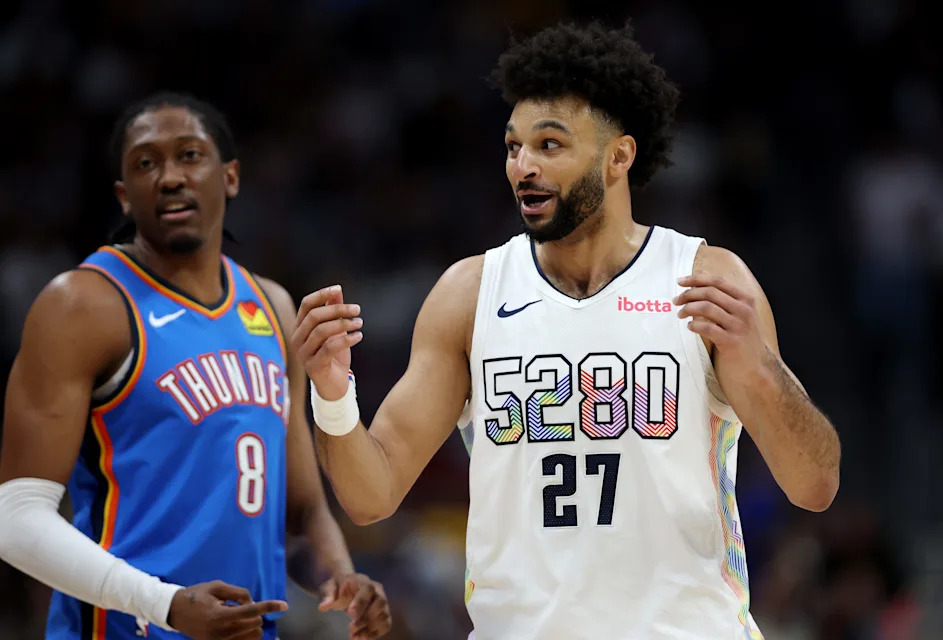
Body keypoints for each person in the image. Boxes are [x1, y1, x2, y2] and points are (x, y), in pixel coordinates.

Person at [293, 22, 842, 640]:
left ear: (618, 156)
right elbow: (372, 495)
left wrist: (761, 365)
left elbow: (815, 484)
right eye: (512, 147)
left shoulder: (703, 279)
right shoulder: (470, 295)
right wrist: (332, 396)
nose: (522, 166)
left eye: (549, 146)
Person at [0, 93, 391, 640]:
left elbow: (299, 515)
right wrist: (165, 605)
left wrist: (341, 579)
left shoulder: (273, 307)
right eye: (145, 163)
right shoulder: (83, 305)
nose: (169, 177)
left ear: (229, 177)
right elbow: (16, 521)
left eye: (189, 155)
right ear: (123, 197)